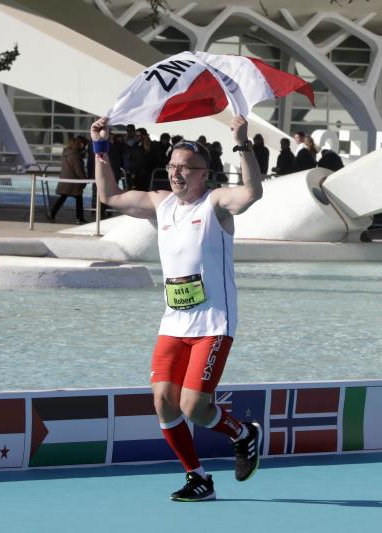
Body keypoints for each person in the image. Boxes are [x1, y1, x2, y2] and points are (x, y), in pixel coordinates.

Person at [89, 114, 263, 502]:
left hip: (214, 323)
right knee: (163, 402)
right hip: (174, 323)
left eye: (186, 168)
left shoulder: (215, 203)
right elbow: (110, 196)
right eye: (172, 166)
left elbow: (251, 193)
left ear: (205, 173)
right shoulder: (161, 204)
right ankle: (197, 477)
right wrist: (101, 147)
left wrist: (242, 142)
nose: (177, 174)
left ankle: (243, 433)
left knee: (194, 406)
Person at [48, 135, 89, 224]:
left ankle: (52, 214)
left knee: (65, 197)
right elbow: (78, 170)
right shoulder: (75, 155)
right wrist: (84, 179)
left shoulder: (67, 153)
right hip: (72, 181)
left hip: (67, 180)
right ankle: (79, 217)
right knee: (76, 198)